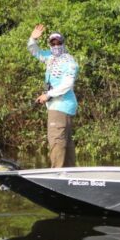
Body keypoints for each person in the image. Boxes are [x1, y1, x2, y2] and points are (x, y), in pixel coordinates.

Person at [28, 24, 79, 168]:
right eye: (53, 43)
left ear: (63, 43)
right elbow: (34, 50)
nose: (56, 45)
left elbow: (68, 84)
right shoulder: (49, 58)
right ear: (50, 44)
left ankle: (57, 173)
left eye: (58, 42)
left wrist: (48, 95)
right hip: (60, 106)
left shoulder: (69, 61)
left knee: (56, 140)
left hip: (60, 106)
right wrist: (33, 38)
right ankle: (69, 174)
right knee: (66, 142)